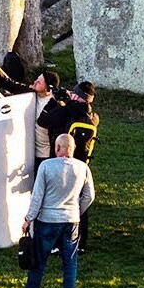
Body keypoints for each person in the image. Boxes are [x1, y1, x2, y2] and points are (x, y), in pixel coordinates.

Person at [14, 133, 95, 288]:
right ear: (72, 149)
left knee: (39, 261)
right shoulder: (82, 168)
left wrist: (28, 219)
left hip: (47, 221)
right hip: (72, 221)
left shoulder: (46, 166)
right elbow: (89, 195)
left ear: (57, 148)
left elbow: (37, 197)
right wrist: (77, 211)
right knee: (70, 263)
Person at [37, 80, 99, 251]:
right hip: (81, 166)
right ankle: (80, 242)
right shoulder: (94, 117)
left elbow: (43, 121)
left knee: (59, 202)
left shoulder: (65, 112)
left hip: (61, 165)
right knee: (80, 203)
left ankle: (57, 243)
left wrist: (53, 101)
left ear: (77, 96)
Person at [31, 71, 61, 176]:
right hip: (31, 151)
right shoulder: (32, 95)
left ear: (48, 86)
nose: (35, 82)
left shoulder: (55, 105)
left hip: (47, 155)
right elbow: (11, 84)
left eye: (39, 82)